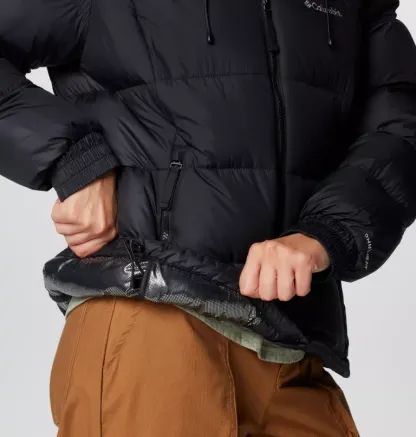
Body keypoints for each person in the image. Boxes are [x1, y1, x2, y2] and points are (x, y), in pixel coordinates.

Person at [1, 0, 415, 435]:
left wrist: (327, 231)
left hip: (295, 344)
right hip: (154, 319)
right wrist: (74, 161)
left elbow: (400, 126)